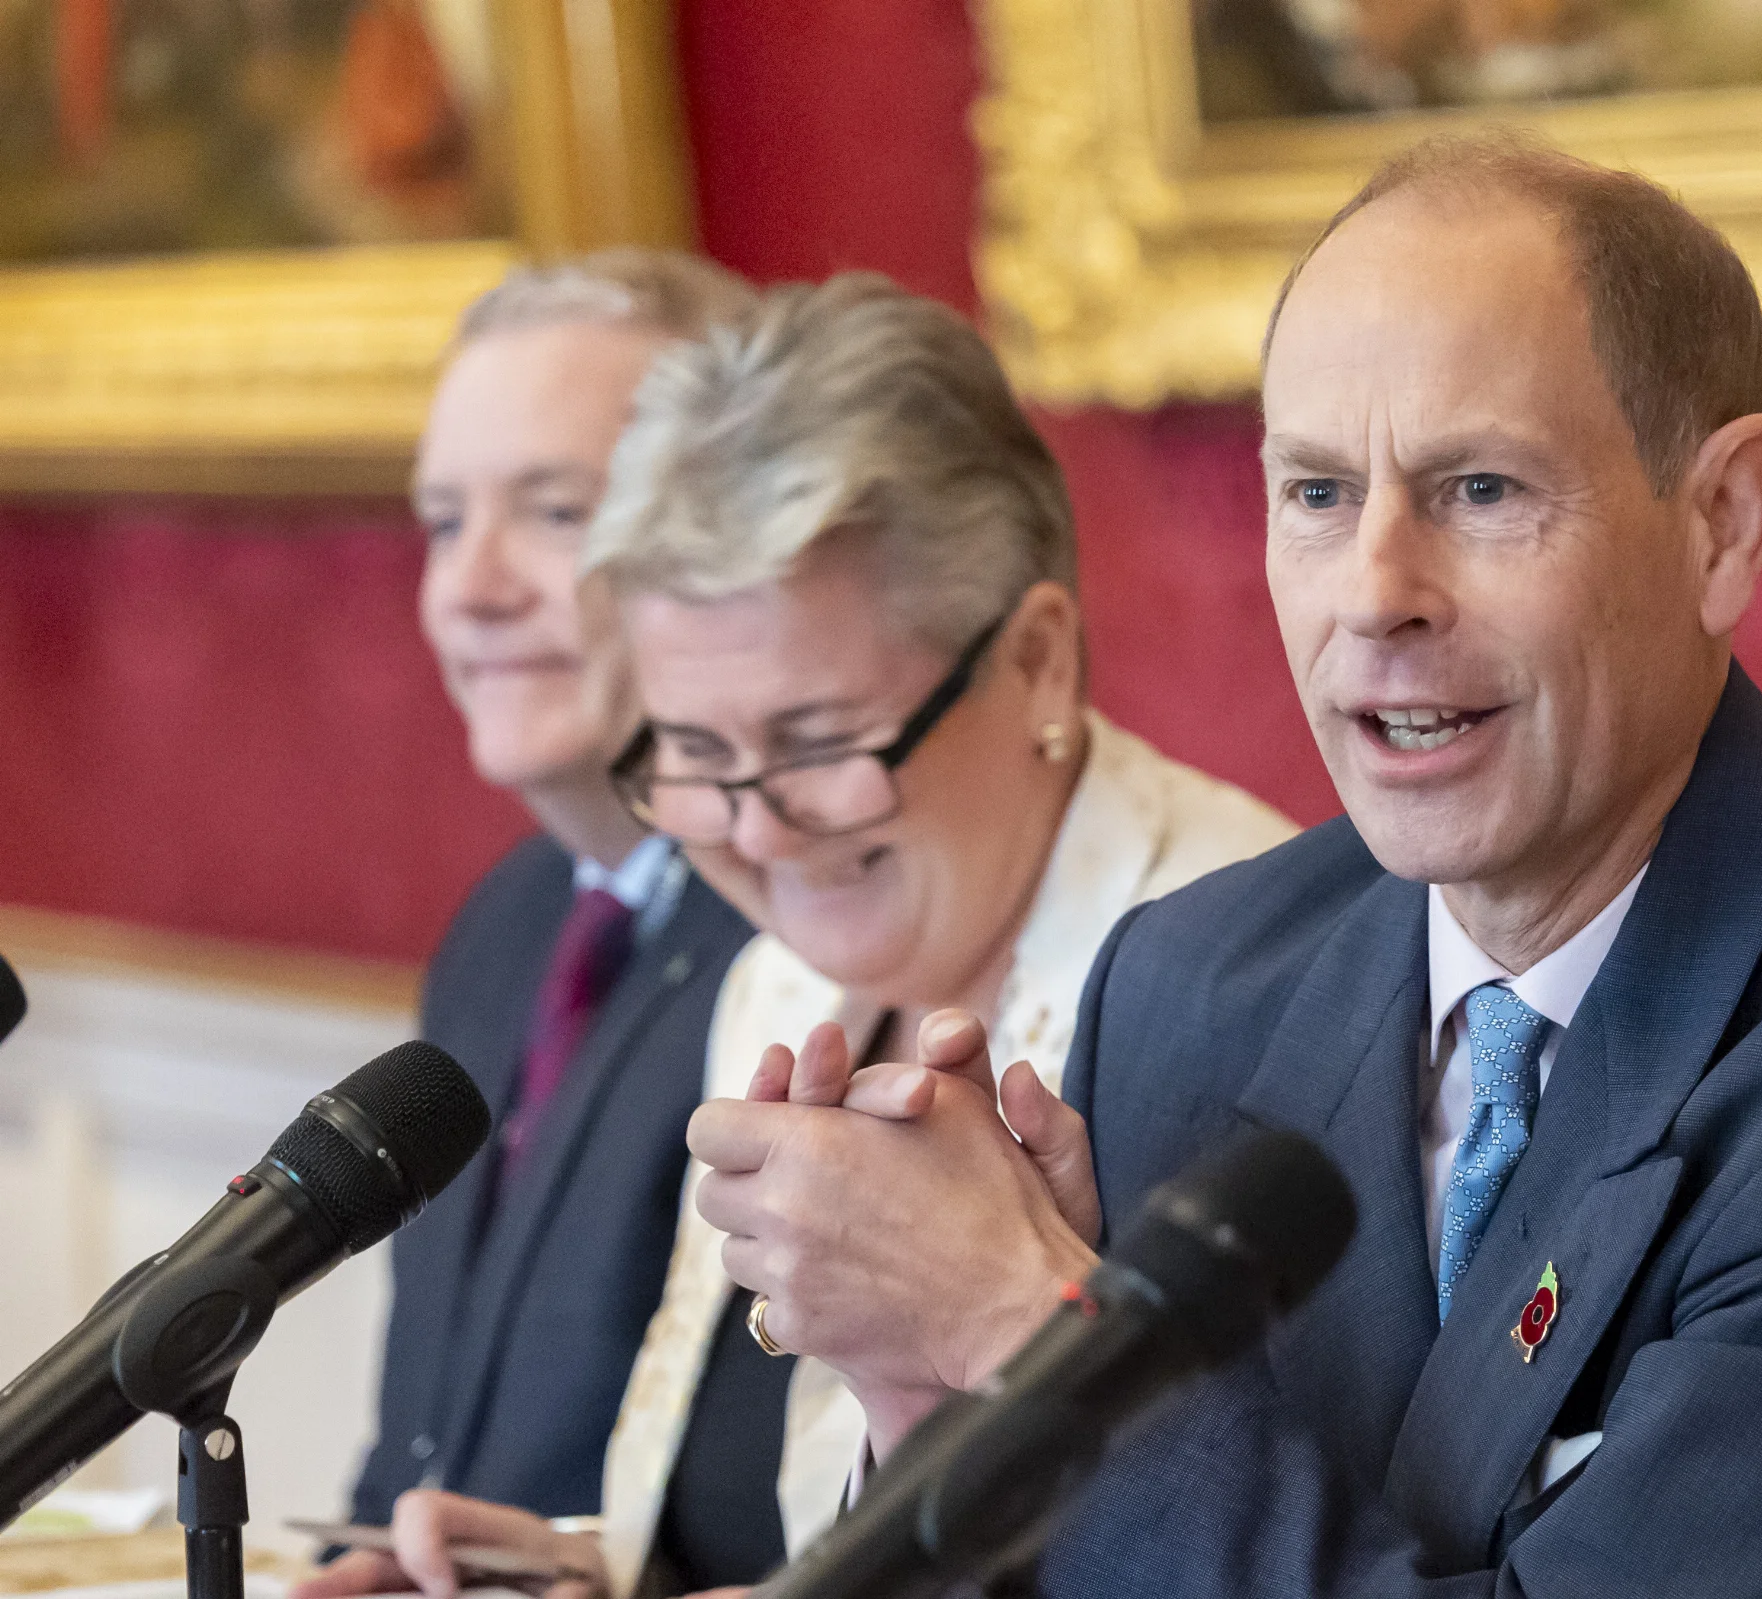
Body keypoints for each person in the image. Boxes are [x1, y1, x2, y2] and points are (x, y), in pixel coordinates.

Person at [688, 136, 1762, 1596]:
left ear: (1722, 521)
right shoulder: (1189, 983)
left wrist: (1028, 1325)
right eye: (1317, 493)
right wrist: (935, 1389)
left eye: (1481, 490)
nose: (1377, 593)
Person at [302, 273, 1296, 1599]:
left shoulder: (1255, 988)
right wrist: (592, 1574)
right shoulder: (785, 978)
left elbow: (1254, 1555)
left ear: (1039, 662)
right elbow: (826, 1531)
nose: (758, 833)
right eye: (695, 754)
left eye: (820, 742)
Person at [332, 253, 761, 1533]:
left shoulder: (819, 947)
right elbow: (422, 1445)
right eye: (443, 522)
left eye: (558, 513)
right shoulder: (505, 925)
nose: (472, 589)